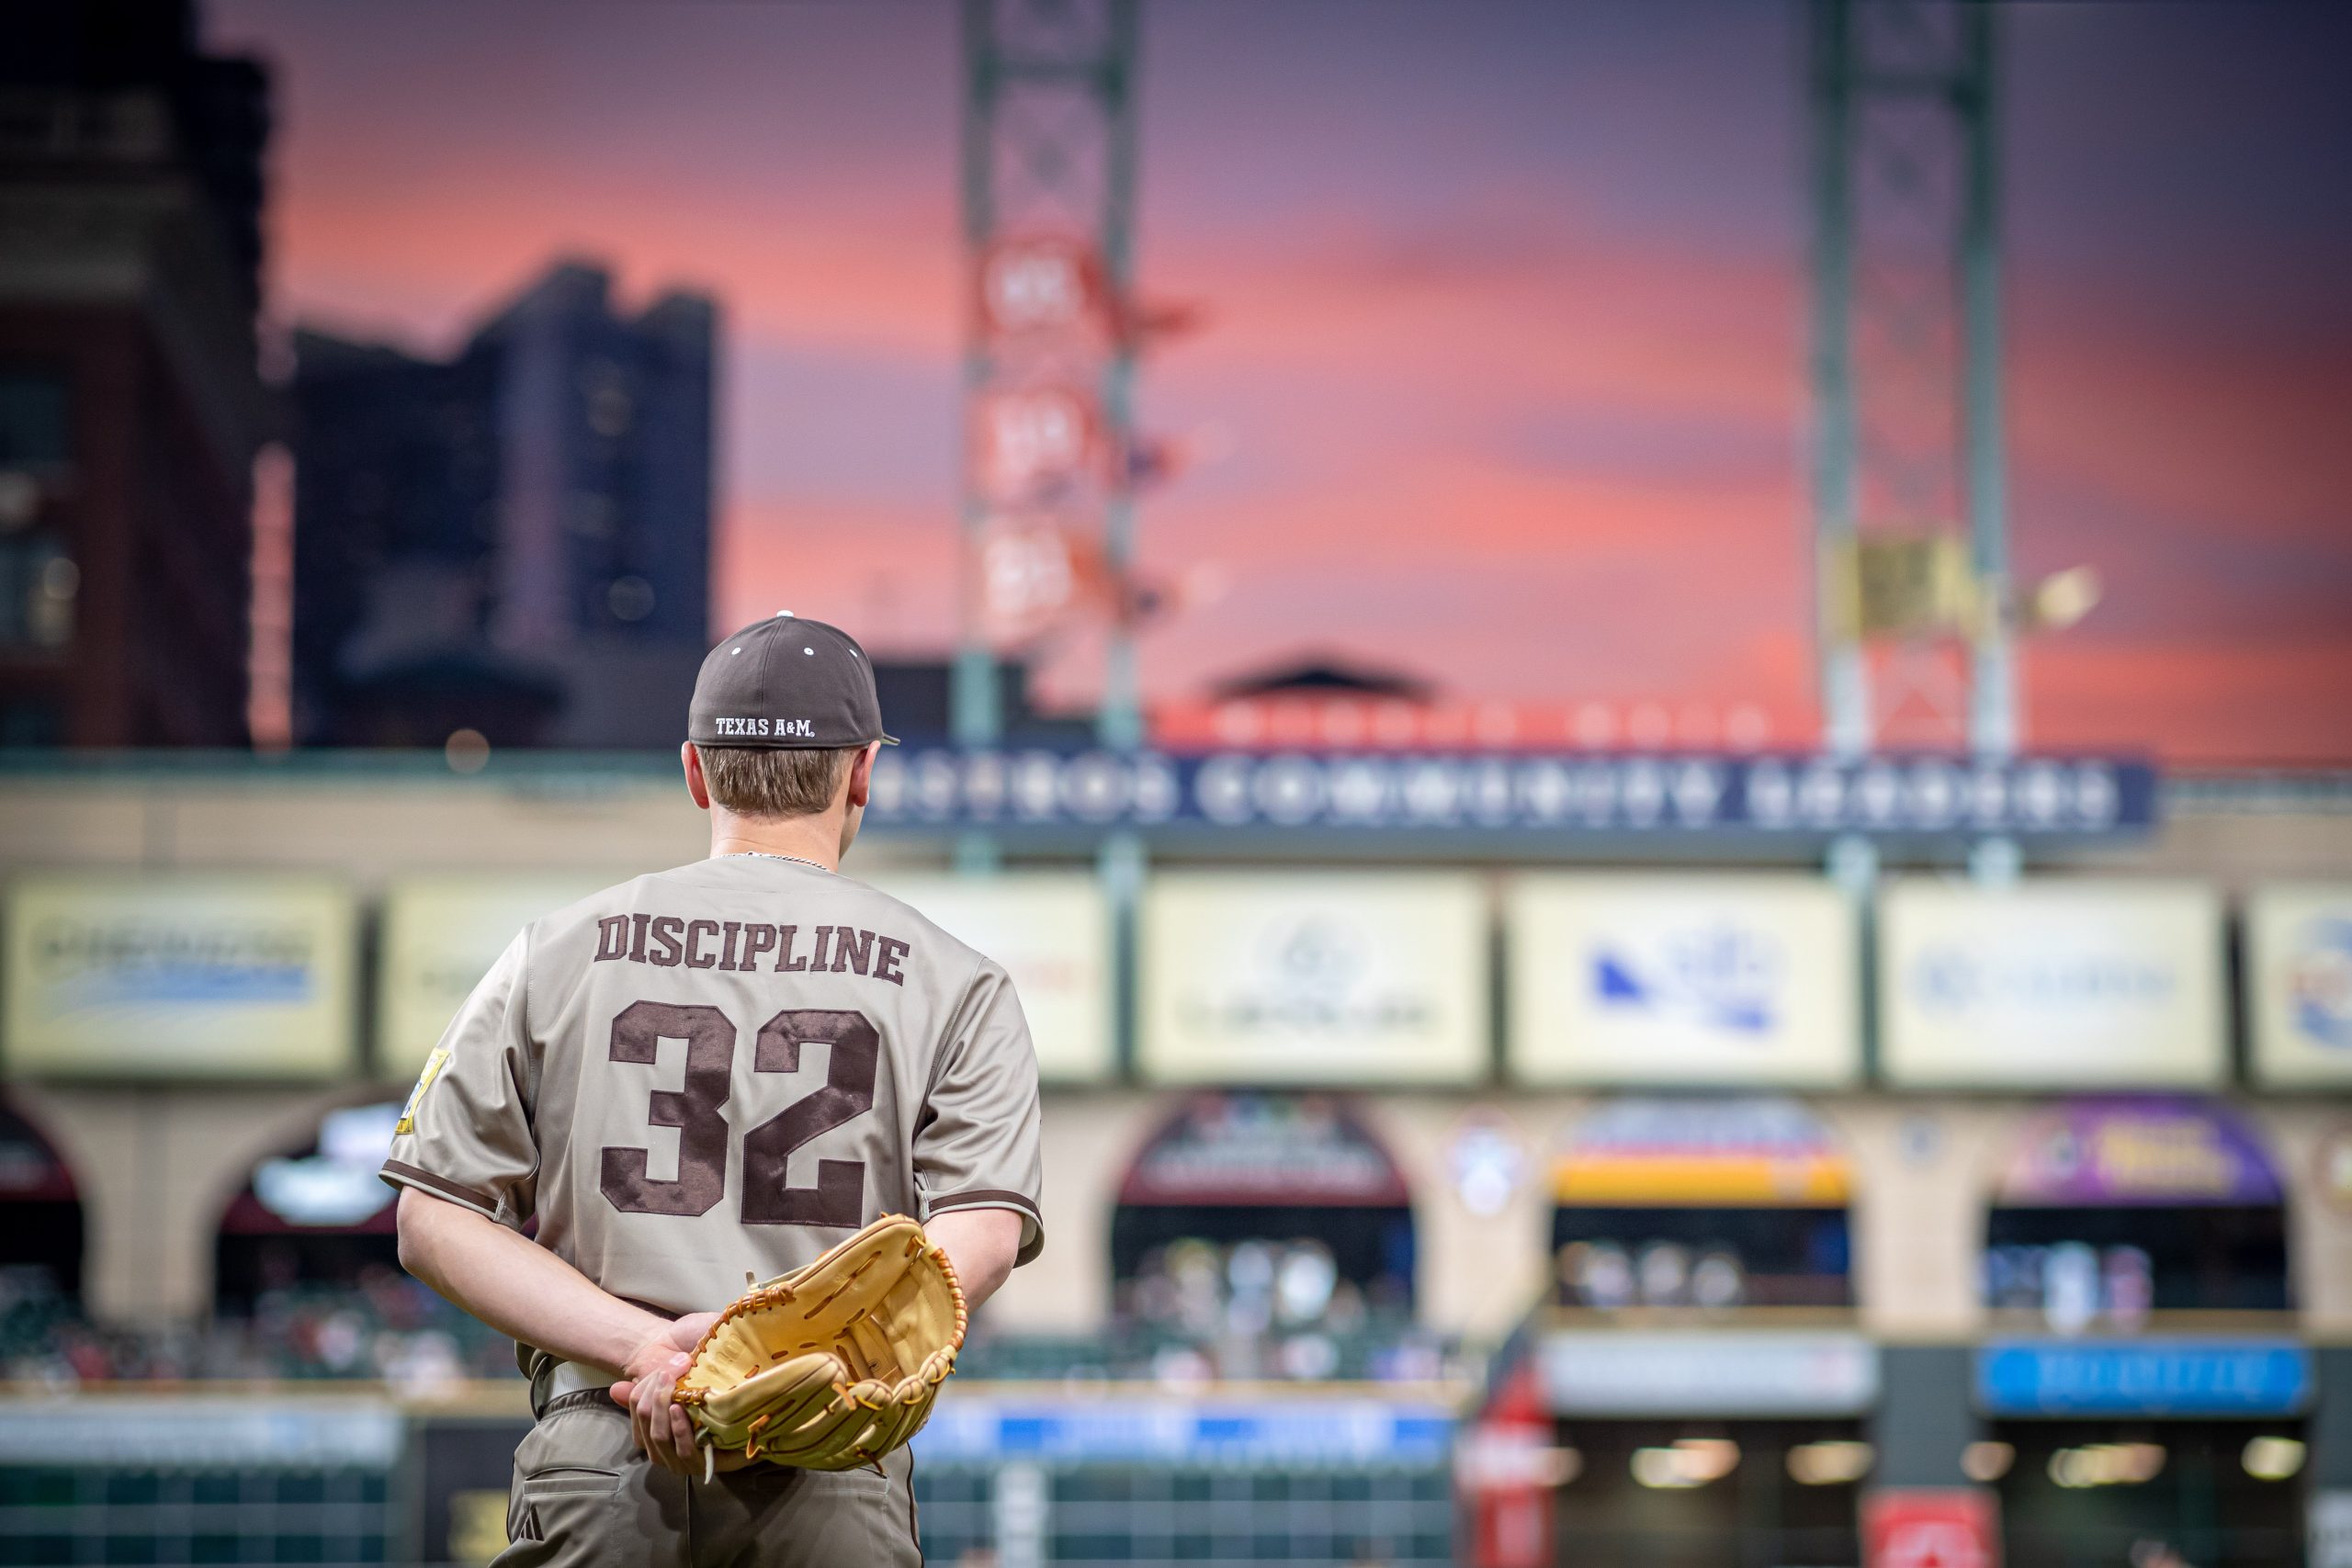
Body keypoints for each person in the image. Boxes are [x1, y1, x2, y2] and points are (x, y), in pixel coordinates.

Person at [384, 613, 1046, 1567]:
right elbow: (974, 1238)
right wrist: (765, 1362)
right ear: (861, 772)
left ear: (695, 770)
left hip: (602, 1440)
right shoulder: (958, 977)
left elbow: (433, 1220)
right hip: (826, 1454)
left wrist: (652, 1354)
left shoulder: (553, 949)